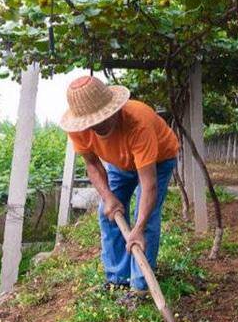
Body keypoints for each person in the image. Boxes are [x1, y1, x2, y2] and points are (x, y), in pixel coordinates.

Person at [58, 75, 179, 307]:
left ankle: (141, 287)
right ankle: (117, 279)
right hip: (119, 162)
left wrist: (138, 229)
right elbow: (93, 165)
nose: (98, 126)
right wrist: (109, 197)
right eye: (93, 123)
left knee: (146, 219)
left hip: (159, 160)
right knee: (108, 212)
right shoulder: (80, 127)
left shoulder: (138, 122)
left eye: (103, 119)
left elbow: (148, 185)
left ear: (114, 109)